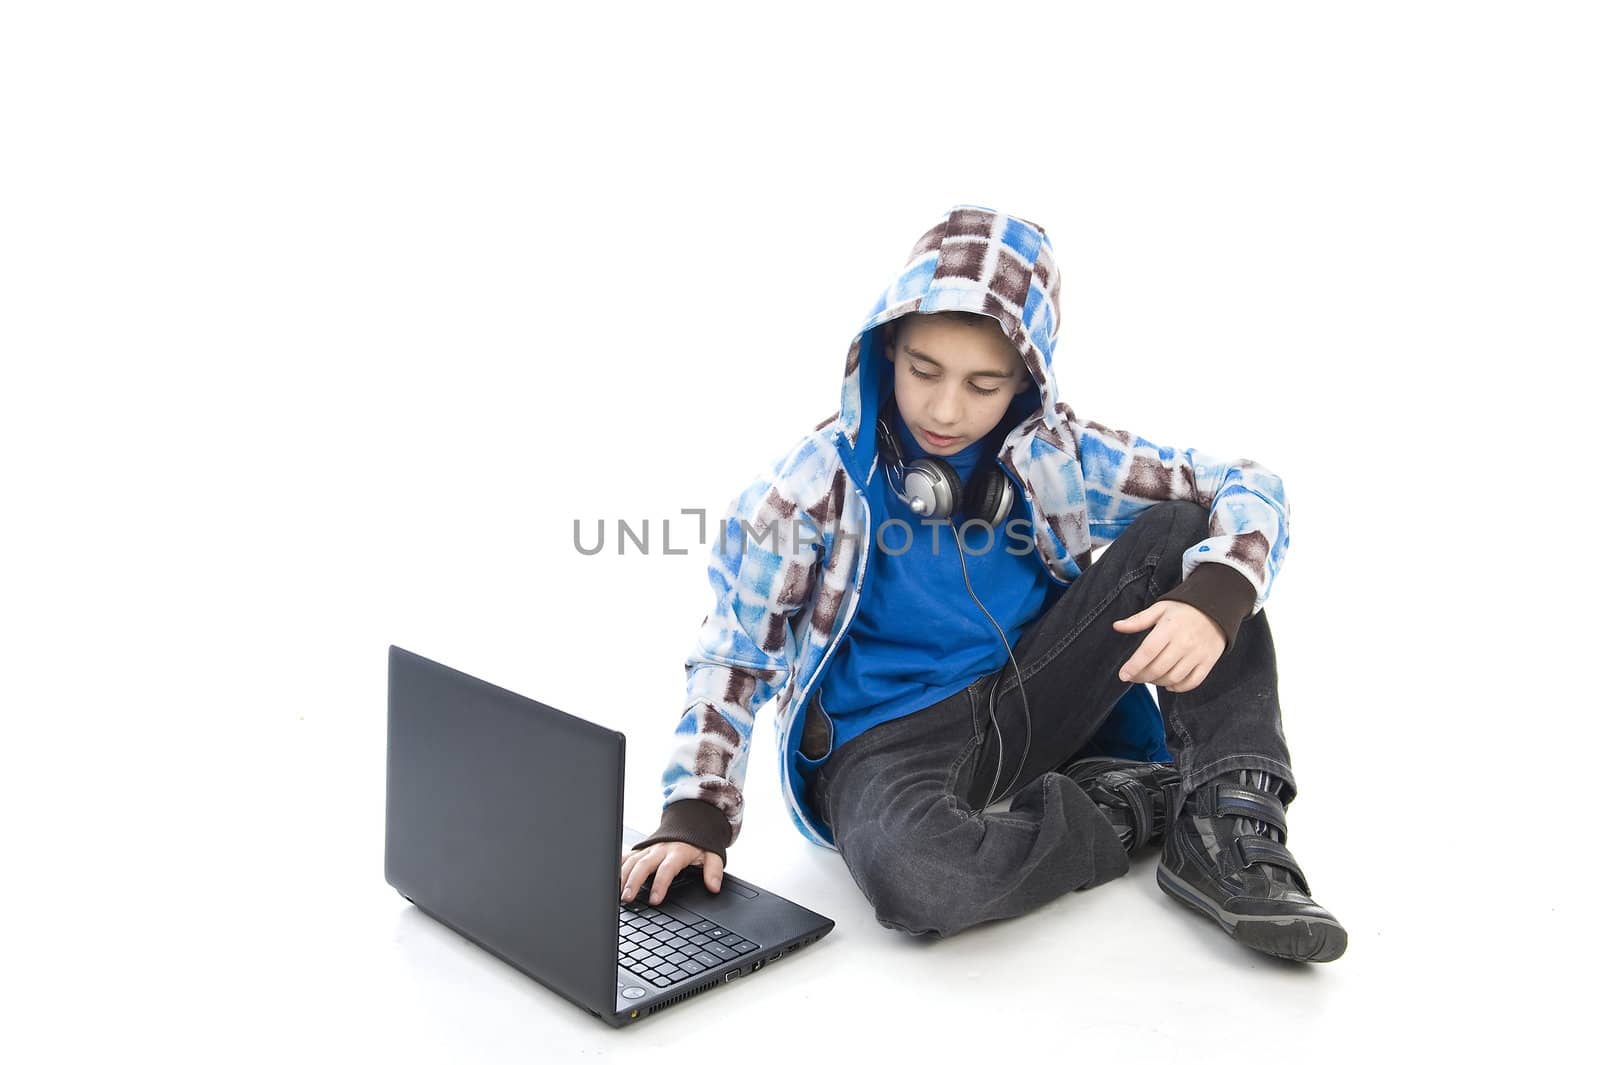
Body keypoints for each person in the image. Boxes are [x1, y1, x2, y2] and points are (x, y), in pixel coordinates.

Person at [618, 204, 1347, 963]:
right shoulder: (809, 488)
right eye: (923, 371)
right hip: (881, 744)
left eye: (983, 385)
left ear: (1026, 385)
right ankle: (1130, 807)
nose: (944, 409)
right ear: (885, 349)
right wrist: (694, 812)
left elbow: (1244, 483)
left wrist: (1218, 595)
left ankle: (1228, 822)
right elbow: (734, 653)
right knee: (917, 876)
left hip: (1030, 694)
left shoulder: (1057, 453)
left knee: (1192, 532)